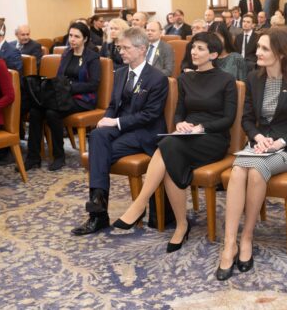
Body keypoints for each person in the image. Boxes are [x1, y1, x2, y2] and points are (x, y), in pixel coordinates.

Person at [112, 32, 236, 250]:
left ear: (214, 54)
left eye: (200, 48)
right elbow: (179, 112)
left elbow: (228, 119)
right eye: (193, 47)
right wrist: (180, 124)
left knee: (167, 149)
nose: (194, 52)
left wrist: (201, 127)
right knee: (170, 154)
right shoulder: (185, 78)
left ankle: (141, 204)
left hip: (213, 137)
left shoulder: (226, 80)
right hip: (186, 136)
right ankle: (180, 224)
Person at [216, 27, 287, 281]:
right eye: (258, 47)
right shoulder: (253, 78)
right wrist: (258, 138)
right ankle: (230, 243)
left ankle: (247, 237)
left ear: (281, 54)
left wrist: (279, 142)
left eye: (264, 48)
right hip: (259, 144)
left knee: (257, 172)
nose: (257, 52)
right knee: (238, 171)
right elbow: (248, 118)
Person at [71, 27, 169, 235]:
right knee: (97, 135)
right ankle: (98, 209)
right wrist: (106, 117)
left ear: (142, 49)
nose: (120, 52)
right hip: (122, 129)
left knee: (99, 152)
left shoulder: (157, 78)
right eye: (119, 48)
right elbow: (113, 105)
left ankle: (98, 215)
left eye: (125, 48)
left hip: (145, 132)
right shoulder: (121, 72)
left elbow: (149, 116)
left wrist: (114, 122)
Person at [25, 23, 101, 171]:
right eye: (71, 35)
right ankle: (33, 157)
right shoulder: (67, 53)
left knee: (52, 113)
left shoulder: (92, 57)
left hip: (84, 99)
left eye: (77, 36)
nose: (72, 39)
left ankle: (59, 156)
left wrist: (70, 87)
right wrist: (62, 87)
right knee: (35, 111)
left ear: (85, 39)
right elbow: (60, 76)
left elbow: (93, 84)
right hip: (63, 95)